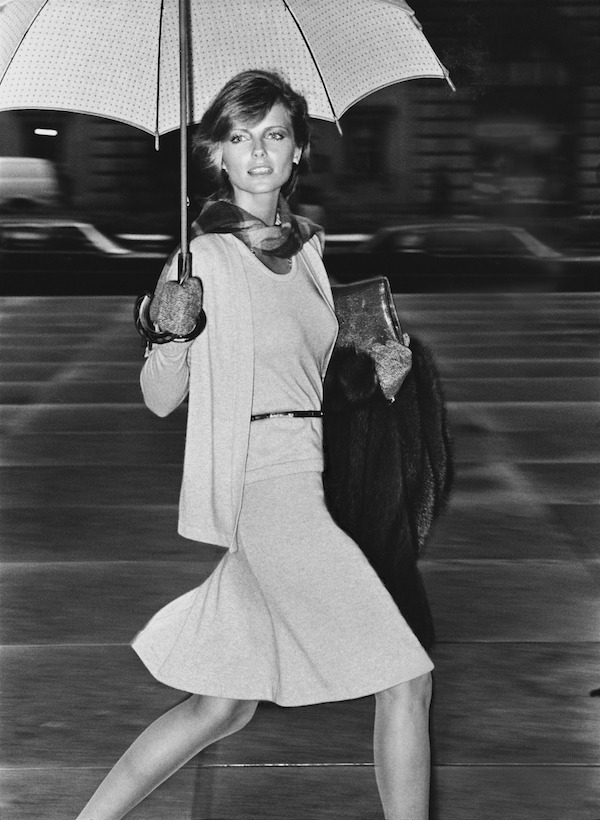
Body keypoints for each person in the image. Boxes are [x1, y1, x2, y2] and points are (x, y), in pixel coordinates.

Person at [76, 69, 433, 820]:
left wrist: (383, 366)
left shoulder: (307, 251)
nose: (259, 153)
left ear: (299, 148)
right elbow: (160, 397)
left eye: (274, 134)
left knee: (221, 710)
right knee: (406, 678)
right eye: (240, 138)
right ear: (218, 156)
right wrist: (170, 334)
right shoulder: (202, 257)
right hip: (265, 490)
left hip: (312, 476)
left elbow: (315, 373)